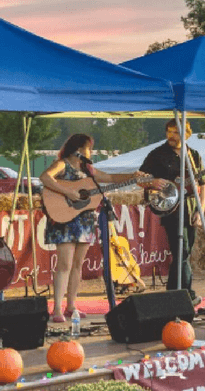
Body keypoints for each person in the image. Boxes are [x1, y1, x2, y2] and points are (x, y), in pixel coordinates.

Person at [41, 134, 148, 323]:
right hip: (64, 219)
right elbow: (45, 177)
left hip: (85, 220)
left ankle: (71, 305)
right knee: (65, 265)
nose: (90, 151)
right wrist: (69, 192)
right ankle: (57, 308)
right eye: (89, 148)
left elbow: (111, 177)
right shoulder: (62, 164)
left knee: (77, 265)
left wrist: (133, 177)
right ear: (79, 150)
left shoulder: (88, 169)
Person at [139, 119, 205, 306]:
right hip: (171, 209)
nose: (171, 136)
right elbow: (140, 177)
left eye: (175, 132)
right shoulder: (157, 154)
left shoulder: (193, 155)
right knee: (181, 250)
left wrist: (200, 210)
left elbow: (203, 185)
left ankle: (173, 294)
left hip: (190, 208)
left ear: (186, 134)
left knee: (184, 253)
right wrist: (153, 182)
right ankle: (187, 294)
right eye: (169, 131)